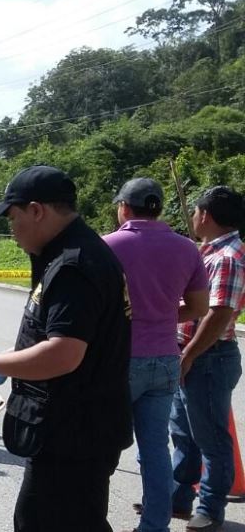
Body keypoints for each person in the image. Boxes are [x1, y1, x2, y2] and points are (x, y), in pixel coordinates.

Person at [0, 165, 132, 532]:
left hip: (74, 434)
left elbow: (63, 353)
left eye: (12, 218)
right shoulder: (70, 253)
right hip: (75, 430)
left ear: (36, 211)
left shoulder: (73, 265)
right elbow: (50, 337)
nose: (12, 229)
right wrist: (10, 362)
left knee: (45, 522)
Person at [101, 177, 210, 532]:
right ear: (158, 209)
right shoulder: (187, 248)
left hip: (120, 361)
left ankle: (91, 518)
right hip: (165, 359)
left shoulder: (107, 246)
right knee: (156, 450)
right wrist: (160, 314)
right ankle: (154, 526)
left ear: (124, 208)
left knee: (101, 446)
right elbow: (199, 307)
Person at [171, 185, 245, 532]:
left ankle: (211, 509)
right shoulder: (209, 251)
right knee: (184, 433)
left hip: (208, 357)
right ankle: (178, 498)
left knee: (211, 440)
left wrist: (189, 354)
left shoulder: (227, 257)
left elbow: (219, 314)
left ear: (206, 215)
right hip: (193, 354)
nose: (193, 216)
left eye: (197, 211)